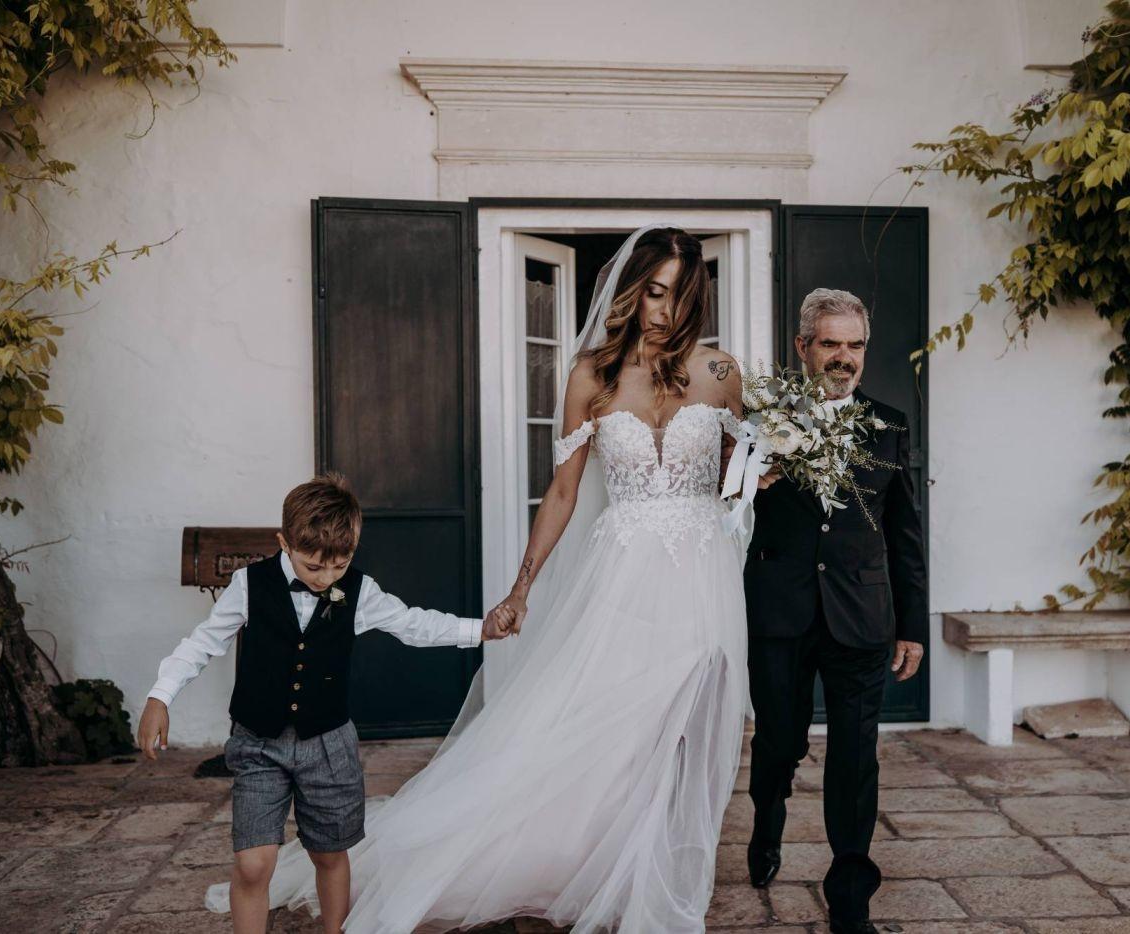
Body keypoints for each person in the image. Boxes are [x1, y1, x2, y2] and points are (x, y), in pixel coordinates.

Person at [219, 225, 751, 933]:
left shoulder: (721, 371)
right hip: (622, 575)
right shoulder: (591, 377)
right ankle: (606, 867)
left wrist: (778, 467)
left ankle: (665, 877)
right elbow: (563, 491)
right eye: (654, 292)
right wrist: (523, 584)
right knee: (616, 729)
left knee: (693, 728)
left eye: (680, 296)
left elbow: (740, 478)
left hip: (702, 578)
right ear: (631, 290)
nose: (665, 310)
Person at [137, 473, 508, 934]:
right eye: (314, 567)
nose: (327, 578)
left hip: (328, 745)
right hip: (259, 744)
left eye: (339, 566)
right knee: (253, 863)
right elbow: (202, 642)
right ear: (284, 543)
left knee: (330, 855)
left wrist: (480, 629)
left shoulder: (359, 590)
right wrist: (160, 695)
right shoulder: (249, 585)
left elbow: (414, 625)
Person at [744, 288, 928, 934]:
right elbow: (724, 504)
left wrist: (912, 626)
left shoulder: (891, 424)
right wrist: (748, 476)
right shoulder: (762, 420)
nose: (843, 357)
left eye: (855, 345)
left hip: (862, 615)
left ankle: (850, 900)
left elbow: (904, 532)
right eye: (830, 344)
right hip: (780, 613)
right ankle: (767, 818)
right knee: (778, 742)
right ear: (803, 347)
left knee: (855, 758)